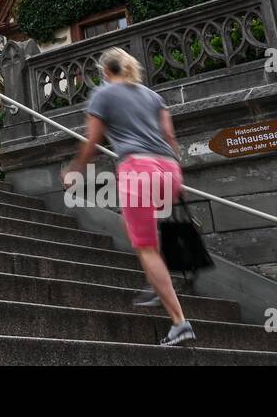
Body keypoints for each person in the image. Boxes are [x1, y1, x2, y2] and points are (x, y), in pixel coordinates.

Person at [62, 46, 194, 346]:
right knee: (146, 232)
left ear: (106, 71)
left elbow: (93, 139)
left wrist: (75, 170)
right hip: (169, 169)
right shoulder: (152, 96)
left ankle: (179, 322)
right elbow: (170, 137)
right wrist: (177, 176)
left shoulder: (103, 94)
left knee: (145, 247)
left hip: (138, 169)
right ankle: (154, 280)